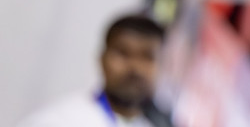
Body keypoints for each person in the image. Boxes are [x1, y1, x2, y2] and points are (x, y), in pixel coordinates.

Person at [18, 15, 169, 127]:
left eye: (148, 56)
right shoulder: (58, 121)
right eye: (123, 53)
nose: (135, 67)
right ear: (102, 59)